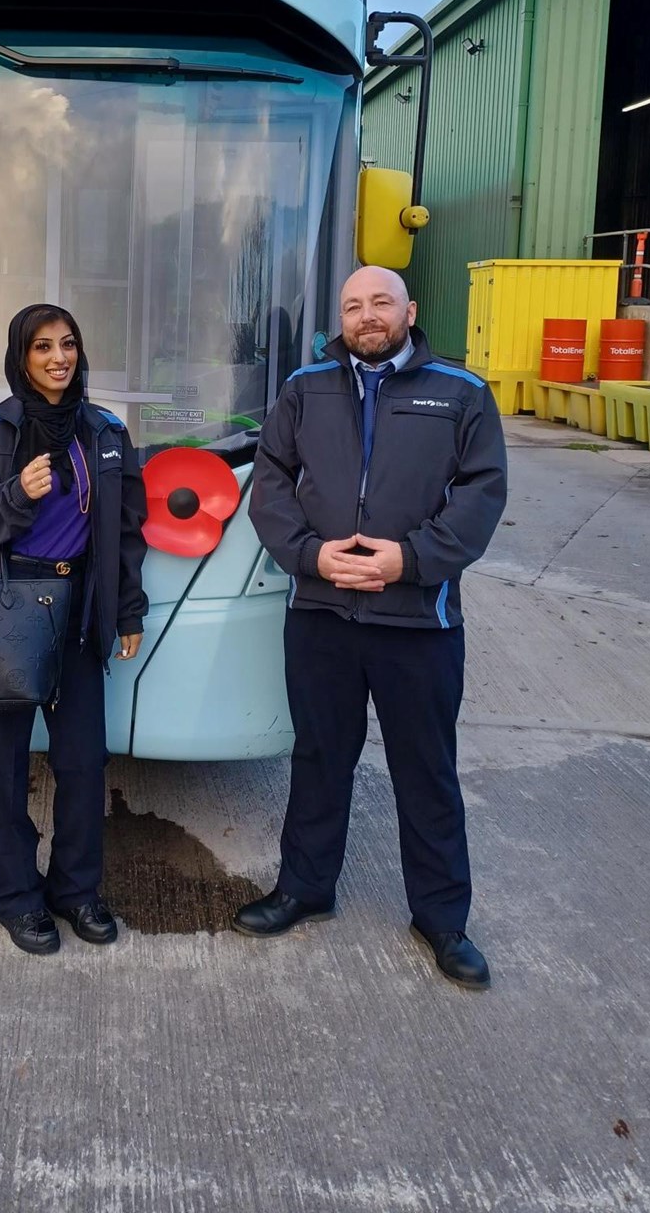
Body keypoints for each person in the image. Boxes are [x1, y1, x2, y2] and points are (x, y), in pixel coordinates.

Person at [236, 265, 507, 987]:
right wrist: (310, 556)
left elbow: (481, 497)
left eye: (380, 302)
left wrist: (409, 560)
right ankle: (305, 888)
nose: (367, 316)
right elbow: (270, 484)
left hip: (418, 620)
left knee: (426, 772)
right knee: (320, 759)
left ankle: (442, 919)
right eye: (353, 305)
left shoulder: (462, 394)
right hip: (323, 614)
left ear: (409, 310)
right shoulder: (304, 389)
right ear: (342, 317)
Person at [0, 304, 148, 955]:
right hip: (11, 608)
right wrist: (15, 494)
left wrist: (126, 610)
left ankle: (76, 891)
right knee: (5, 765)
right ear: (21, 358)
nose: (59, 357)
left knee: (84, 762)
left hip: (80, 609)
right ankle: (16, 897)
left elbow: (123, 534)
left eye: (68, 344)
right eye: (42, 347)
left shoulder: (107, 432)